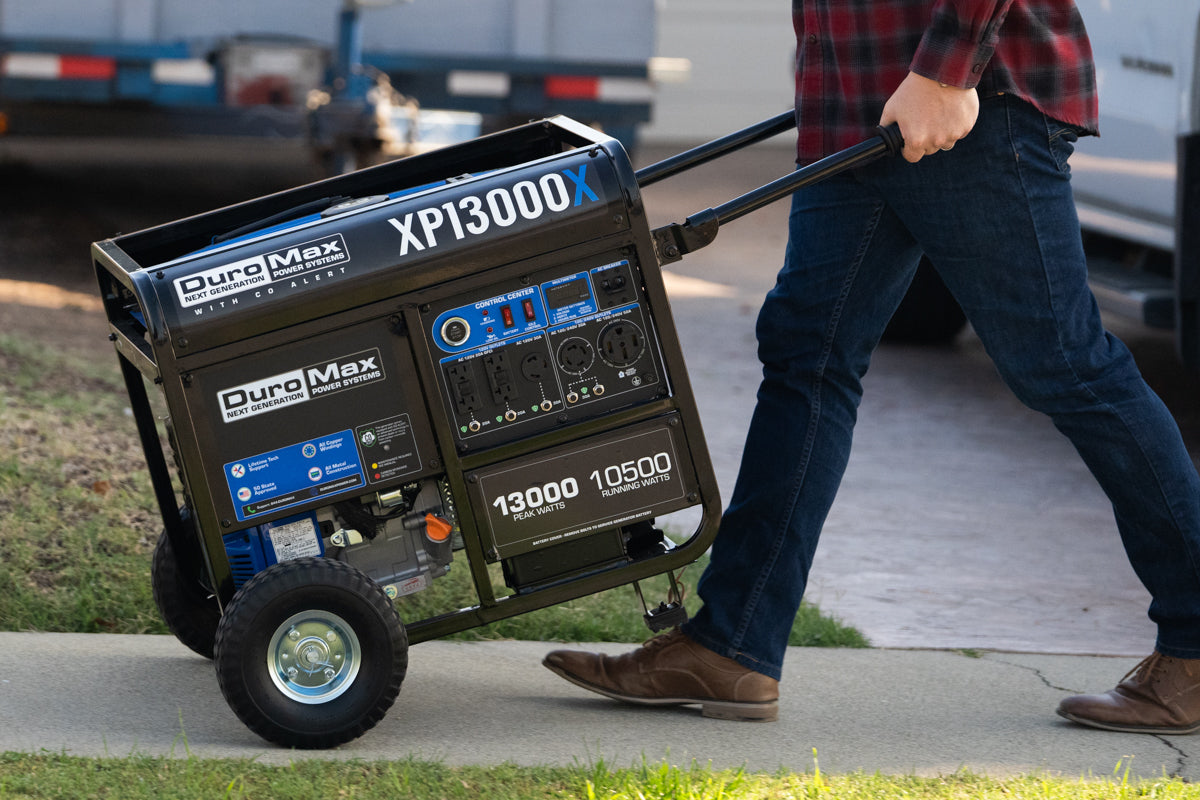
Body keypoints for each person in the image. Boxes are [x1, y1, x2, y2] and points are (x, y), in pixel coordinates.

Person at [543, 0, 1200, 733]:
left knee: (1066, 367)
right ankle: (730, 644)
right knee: (806, 358)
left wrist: (947, 70)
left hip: (964, 102)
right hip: (855, 108)